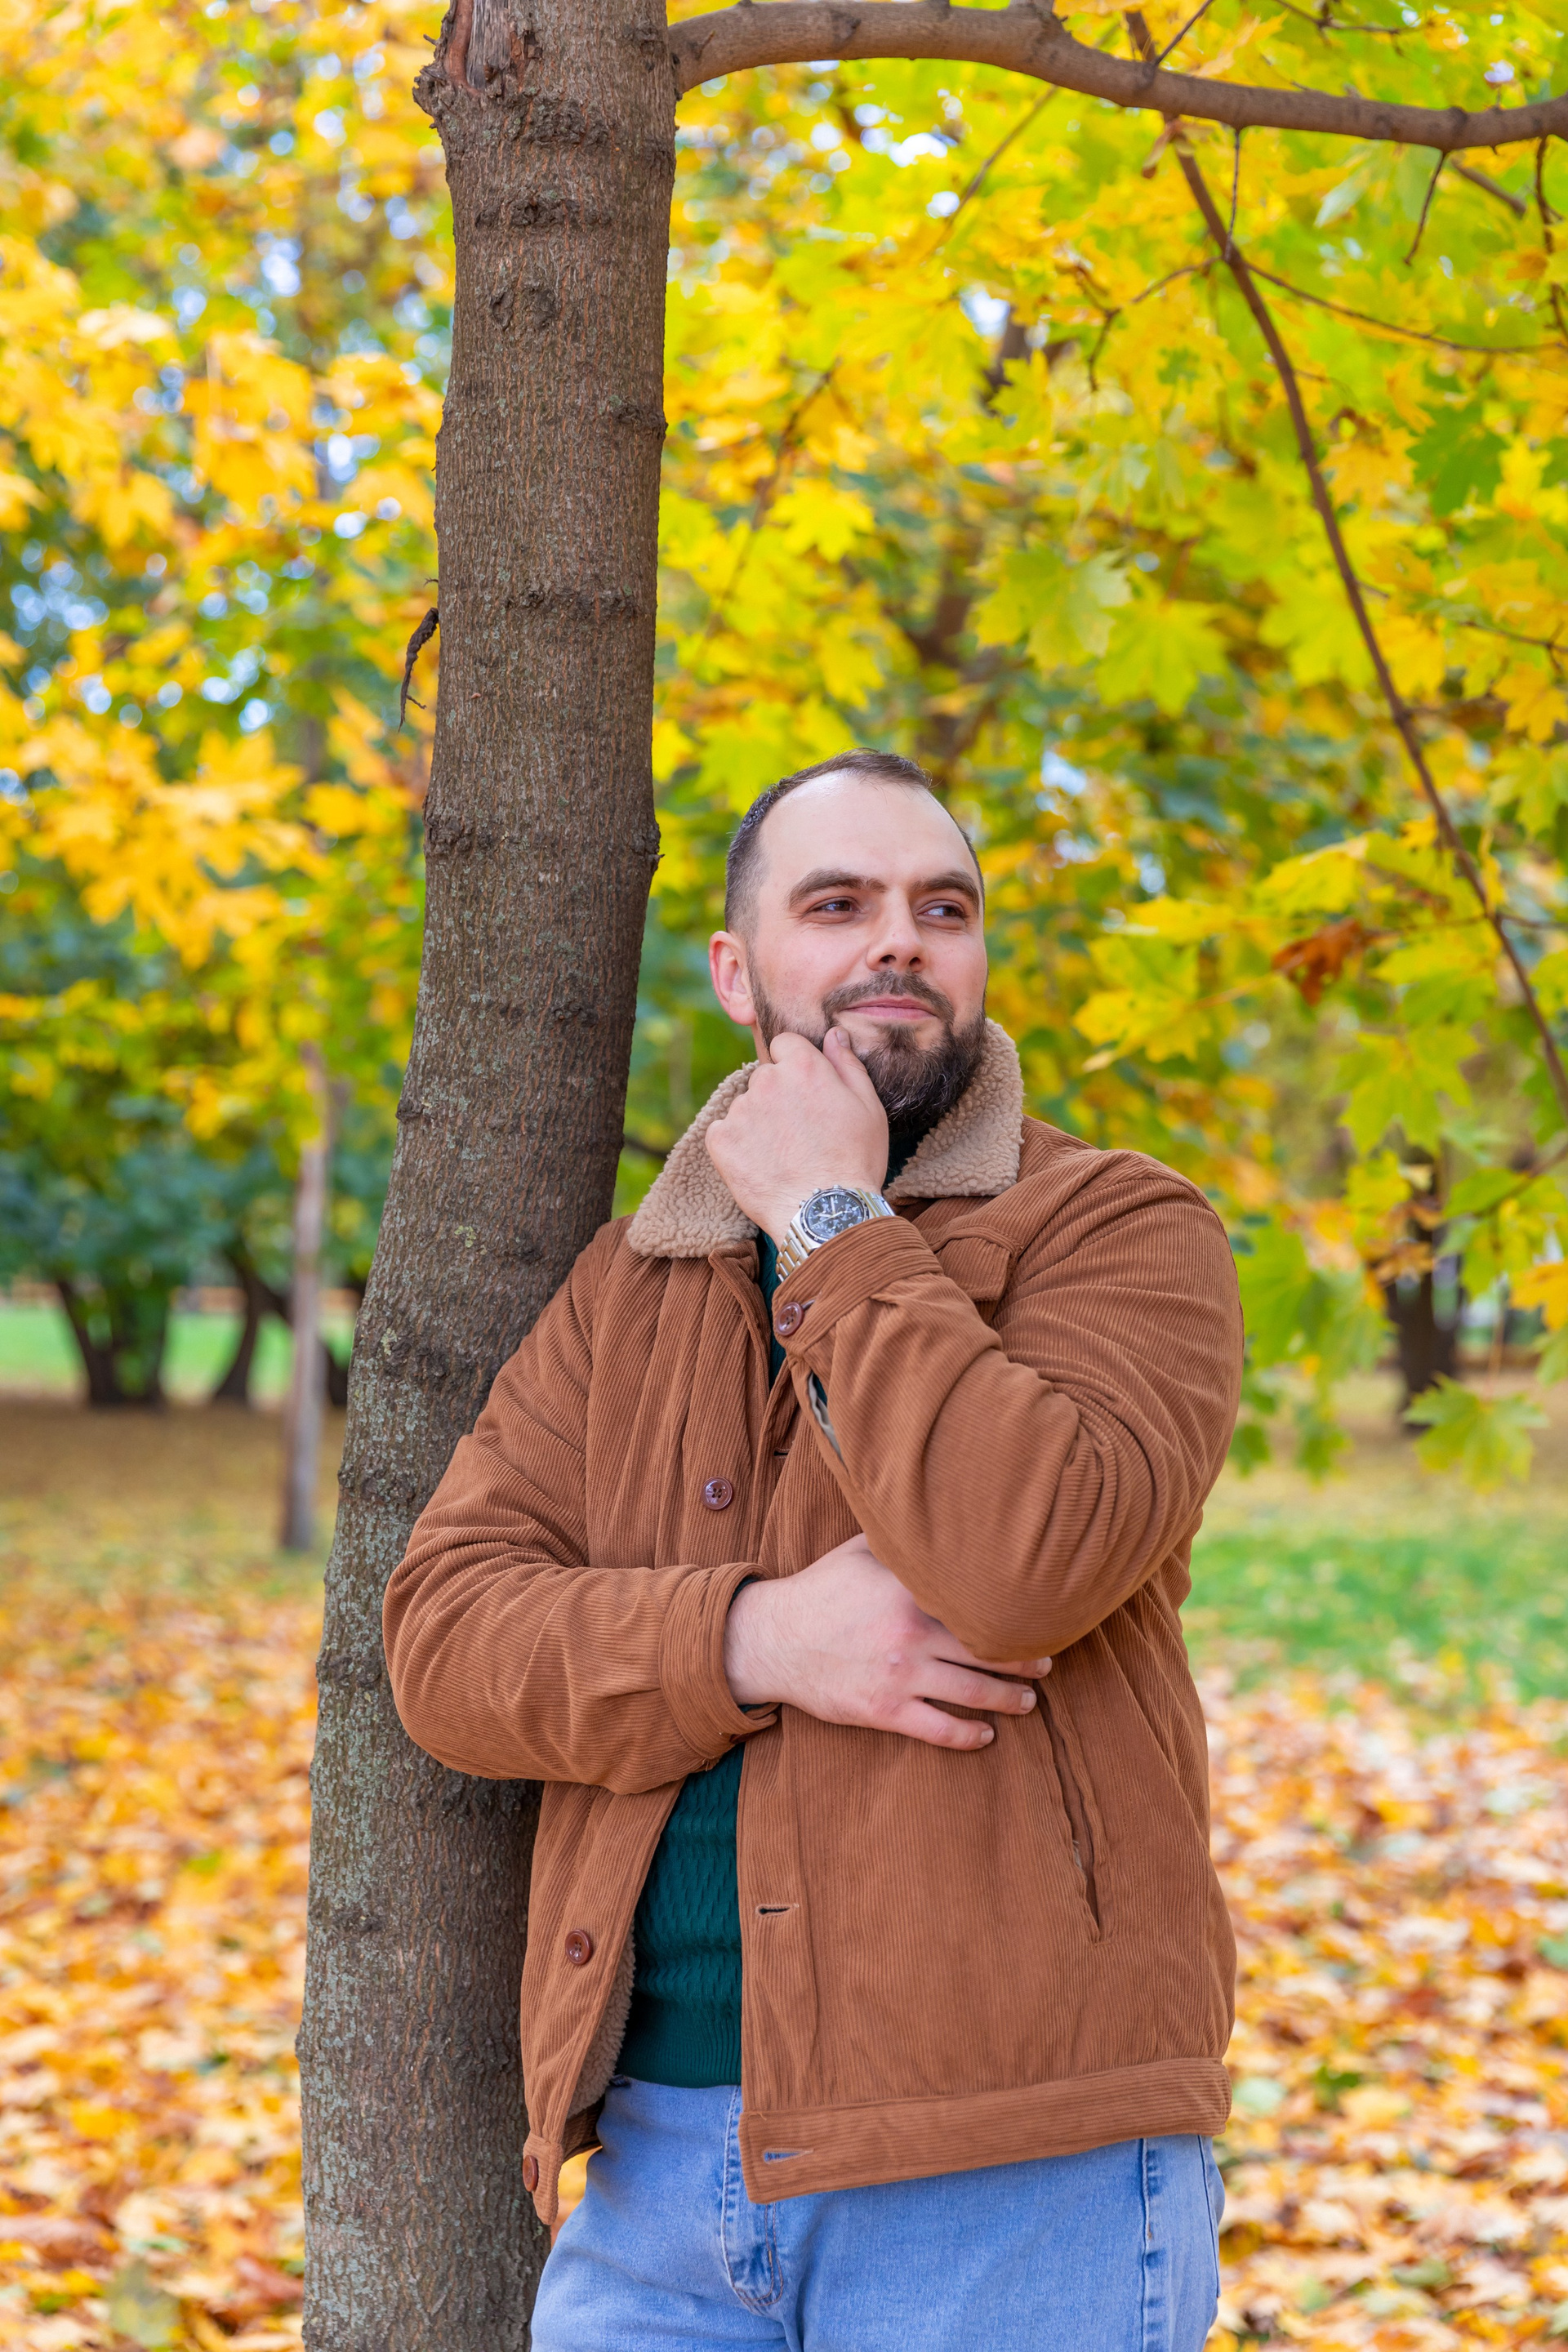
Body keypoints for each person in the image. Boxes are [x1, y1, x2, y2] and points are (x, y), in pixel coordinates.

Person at [383, 747, 1244, 2352]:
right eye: (837, 904)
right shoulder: (635, 1283)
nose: (900, 940)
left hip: (1013, 2166)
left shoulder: (1119, 1229)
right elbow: (442, 1638)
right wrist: (757, 1639)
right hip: (649, 2178)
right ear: (738, 972)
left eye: (944, 909)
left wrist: (836, 1221)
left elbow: (1028, 1557)